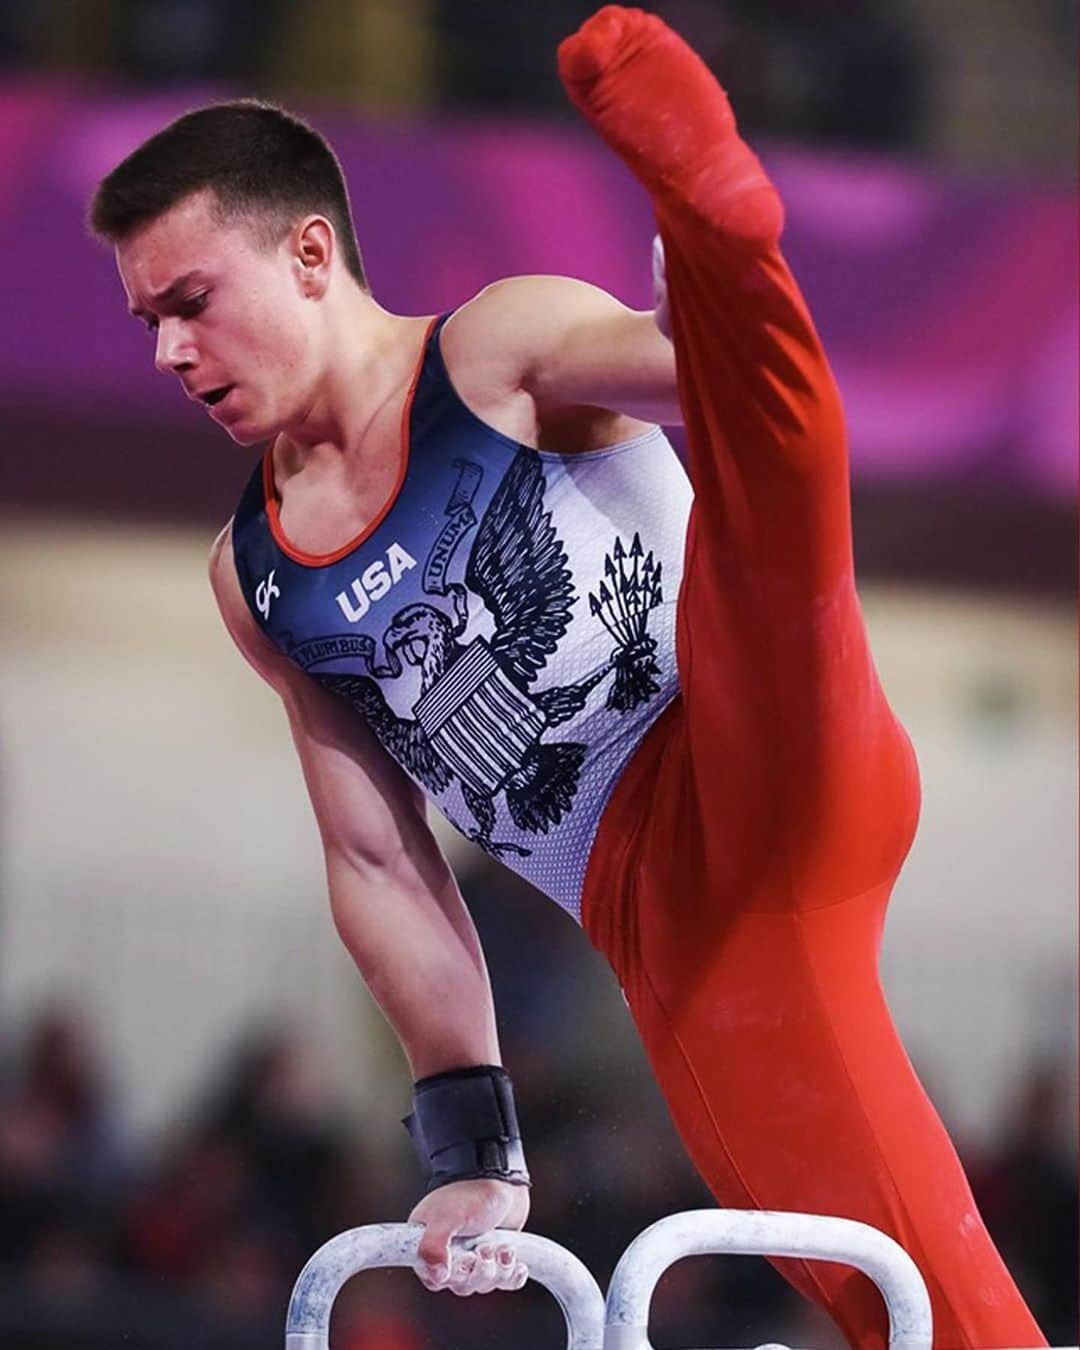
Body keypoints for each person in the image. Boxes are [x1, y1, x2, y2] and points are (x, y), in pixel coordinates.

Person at [88, 7, 1046, 1345]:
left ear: (310, 253)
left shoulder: (496, 350)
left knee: (769, 502)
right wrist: (474, 1137)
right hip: (670, 924)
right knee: (887, 1275)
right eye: (145, 321)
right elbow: (378, 863)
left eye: (189, 303)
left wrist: (698, 314)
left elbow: (729, 402)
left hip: (743, 737)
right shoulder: (258, 576)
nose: (168, 353)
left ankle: (725, 241)